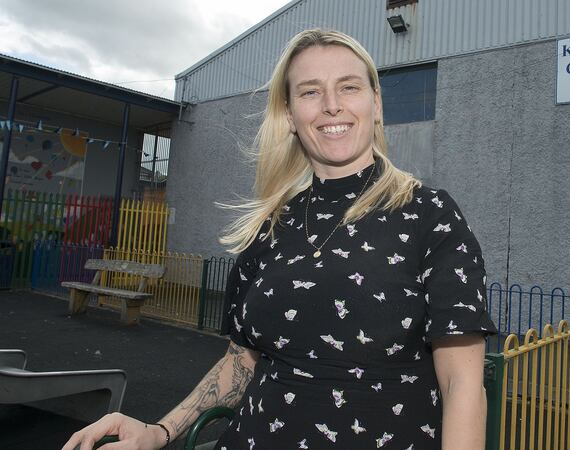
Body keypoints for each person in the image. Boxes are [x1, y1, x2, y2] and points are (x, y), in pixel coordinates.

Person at [63, 29, 496, 450]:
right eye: (310, 92)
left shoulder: (429, 214)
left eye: (348, 87)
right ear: (289, 115)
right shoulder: (271, 224)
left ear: (376, 104)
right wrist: (158, 431)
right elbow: (242, 361)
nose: (331, 106)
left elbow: (462, 385)